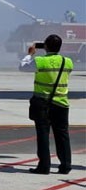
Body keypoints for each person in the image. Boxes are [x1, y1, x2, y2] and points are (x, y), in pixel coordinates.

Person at [20, 34, 73, 175]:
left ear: (46, 46)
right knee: (62, 135)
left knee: (43, 135)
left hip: (42, 103)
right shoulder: (67, 61)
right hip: (61, 103)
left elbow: (23, 67)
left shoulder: (40, 61)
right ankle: (66, 165)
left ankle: (44, 166)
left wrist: (29, 55)